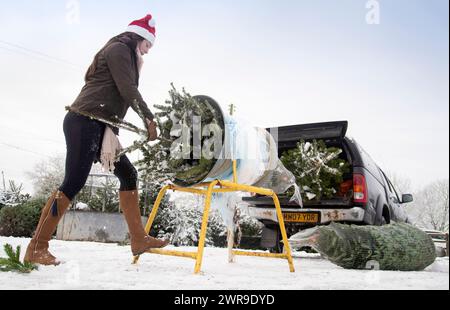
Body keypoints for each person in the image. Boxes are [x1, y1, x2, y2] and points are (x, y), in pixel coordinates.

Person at [24, 14, 169, 266]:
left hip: (102, 127)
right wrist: (148, 118)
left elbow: (122, 91)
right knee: (73, 182)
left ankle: (138, 239)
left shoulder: (129, 56)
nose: (148, 50)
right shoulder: (118, 49)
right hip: (84, 121)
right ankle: (37, 246)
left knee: (129, 175)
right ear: (139, 37)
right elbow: (127, 89)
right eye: (148, 44)